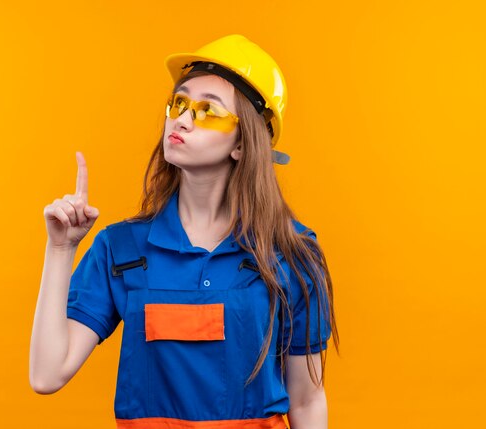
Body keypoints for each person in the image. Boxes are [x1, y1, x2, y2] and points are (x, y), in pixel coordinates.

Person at [29, 34, 340, 429]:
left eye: (207, 110)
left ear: (243, 144)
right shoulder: (121, 249)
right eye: (179, 102)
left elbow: (307, 401)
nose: (182, 118)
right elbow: (46, 375)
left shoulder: (292, 254)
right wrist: (60, 250)